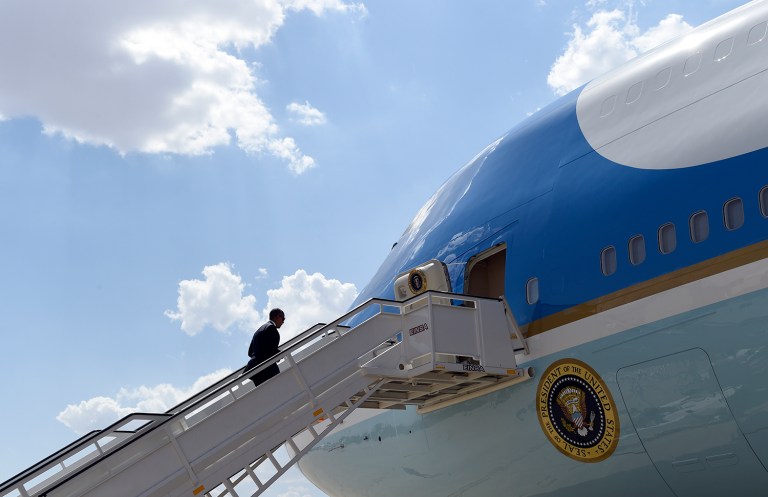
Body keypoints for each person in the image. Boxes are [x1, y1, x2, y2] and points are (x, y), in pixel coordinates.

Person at [245, 308, 285, 387]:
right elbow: (270, 350)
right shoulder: (271, 329)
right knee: (281, 388)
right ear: (277, 316)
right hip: (265, 370)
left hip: (254, 369)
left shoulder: (259, 330)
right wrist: (279, 354)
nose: (283, 321)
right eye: (283, 318)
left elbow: (250, 352)